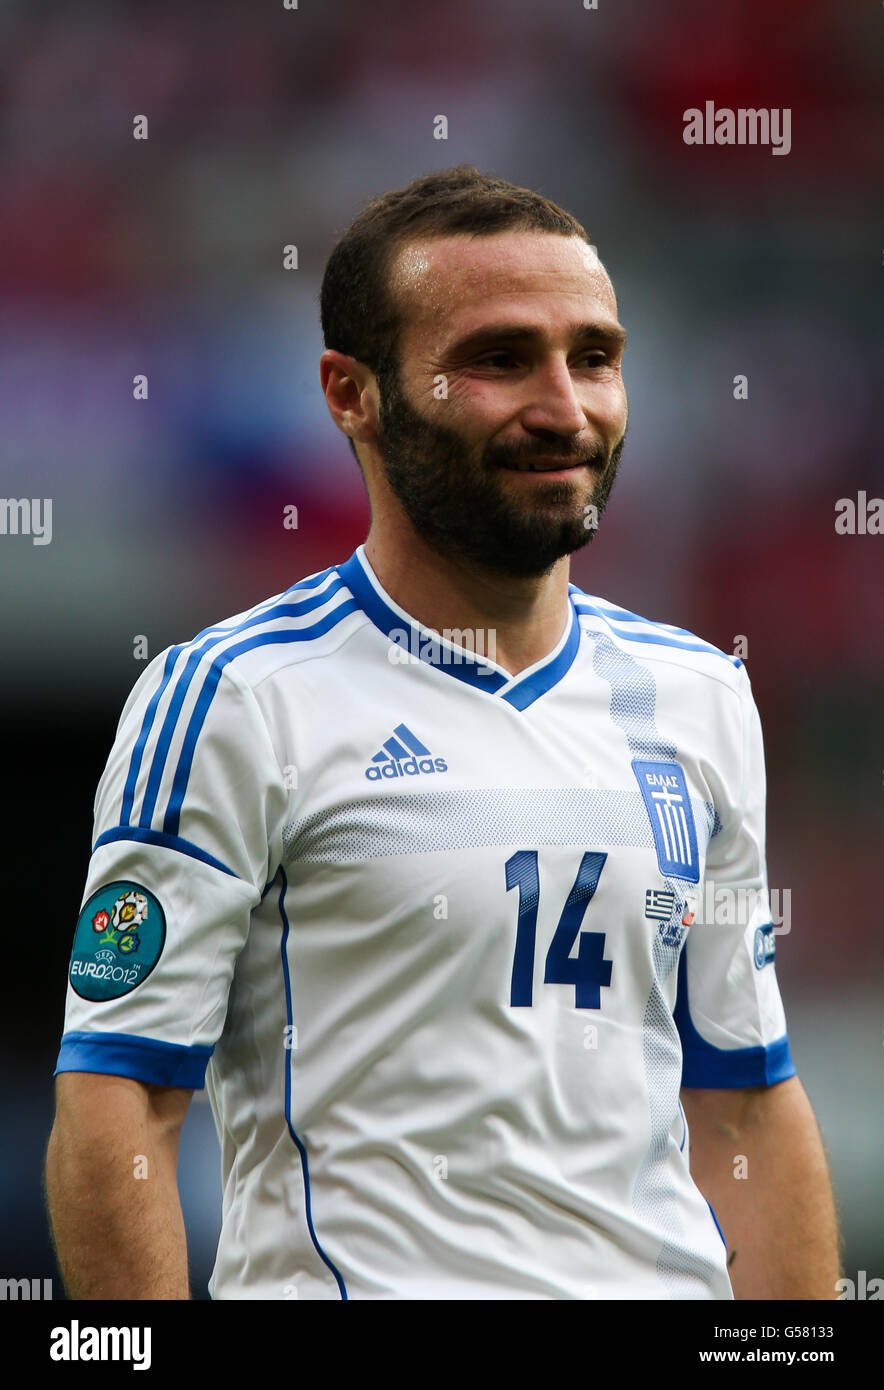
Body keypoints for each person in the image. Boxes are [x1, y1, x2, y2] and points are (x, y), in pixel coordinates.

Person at [46, 165, 840, 1300]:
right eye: (499, 358)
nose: (564, 406)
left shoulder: (698, 693)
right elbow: (118, 1094)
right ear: (351, 393)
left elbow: (744, 1096)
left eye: (595, 357)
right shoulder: (232, 695)